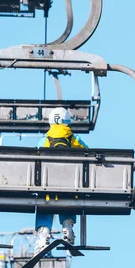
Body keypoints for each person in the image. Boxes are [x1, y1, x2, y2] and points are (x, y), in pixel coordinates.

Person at [34, 107, 88, 256]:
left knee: (44, 202)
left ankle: (44, 233)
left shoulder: (44, 140)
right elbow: (88, 153)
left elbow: (35, 159)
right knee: (68, 197)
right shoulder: (74, 139)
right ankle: (67, 226)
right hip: (69, 185)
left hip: (48, 186)